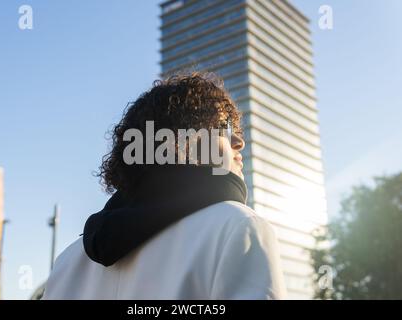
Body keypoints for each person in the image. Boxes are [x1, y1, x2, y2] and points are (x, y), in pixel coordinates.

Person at [43, 72, 286, 299]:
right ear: (183, 142)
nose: (239, 141)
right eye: (225, 128)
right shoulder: (238, 227)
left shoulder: (67, 262)